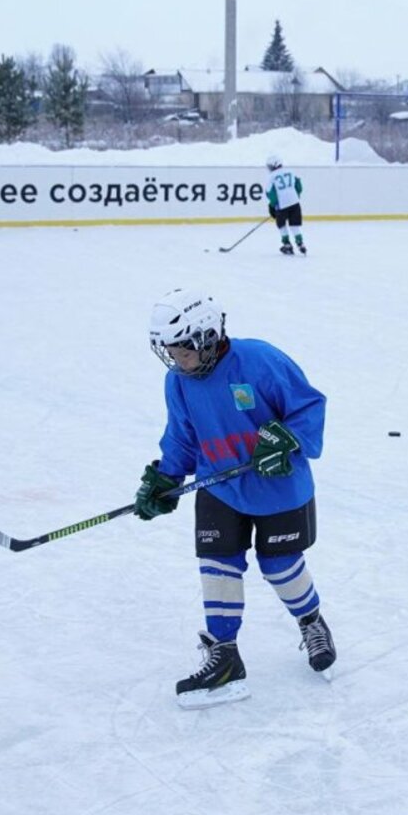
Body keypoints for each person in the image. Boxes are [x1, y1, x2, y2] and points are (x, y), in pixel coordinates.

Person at [134, 288, 334, 709]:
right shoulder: (178, 382)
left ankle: (311, 622)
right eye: (169, 350)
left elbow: (309, 406)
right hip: (219, 485)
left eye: (182, 349)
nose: (176, 359)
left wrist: (288, 438)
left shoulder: (259, 361)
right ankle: (224, 656)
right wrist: (165, 478)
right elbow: (182, 435)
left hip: (278, 486)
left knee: (280, 567)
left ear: (207, 337)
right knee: (217, 565)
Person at [264, 154, 307, 255]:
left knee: (281, 225)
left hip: (282, 205)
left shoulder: (271, 176)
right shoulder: (291, 172)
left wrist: (273, 205)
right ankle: (300, 244)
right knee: (294, 225)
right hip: (295, 203)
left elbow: (269, 193)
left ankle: (287, 245)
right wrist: (295, 196)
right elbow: (299, 186)